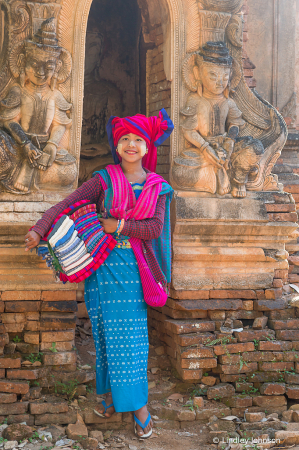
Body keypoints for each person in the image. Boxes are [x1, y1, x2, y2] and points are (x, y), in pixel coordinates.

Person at [24, 109, 174, 439]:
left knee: (132, 340)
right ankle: (108, 398)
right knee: (106, 335)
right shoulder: (104, 179)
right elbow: (69, 203)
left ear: (148, 147)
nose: (131, 144)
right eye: (124, 139)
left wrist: (120, 225)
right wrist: (39, 229)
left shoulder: (157, 187)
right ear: (116, 145)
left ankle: (138, 407)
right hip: (102, 268)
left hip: (134, 270)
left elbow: (155, 227)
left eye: (138, 139)